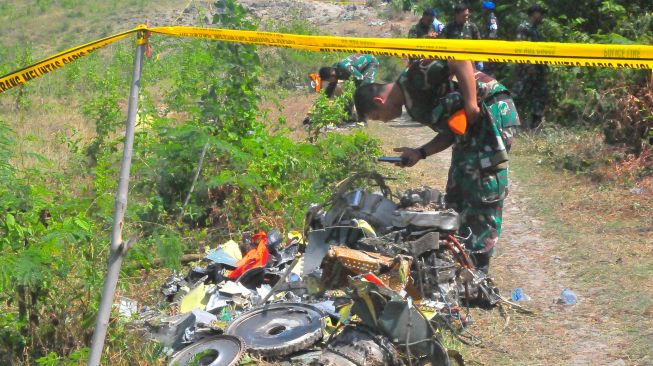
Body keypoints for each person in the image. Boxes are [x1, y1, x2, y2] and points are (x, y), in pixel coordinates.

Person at [353, 59, 520, 273]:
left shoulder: (414, 77)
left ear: (380, 100)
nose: (384, 121)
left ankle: (479, 268)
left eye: (378, 116)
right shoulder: (413, 106)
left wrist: (470, 103)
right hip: (471, 128)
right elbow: (448, 133)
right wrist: (419, 153)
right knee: (457, 188)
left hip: (491, 110)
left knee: (482, 187)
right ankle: (460, 256)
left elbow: (460, 59)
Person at [514, 4, 548, 129]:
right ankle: (509, 124)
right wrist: (528, 66)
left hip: (538, 72)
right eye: (540, 13)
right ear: (534, 14)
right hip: (526, 72)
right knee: (518, 97)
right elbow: (520, 48)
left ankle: (535, 126)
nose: (542, 16)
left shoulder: (536, 30)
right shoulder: (524, 28)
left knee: (539, 97)